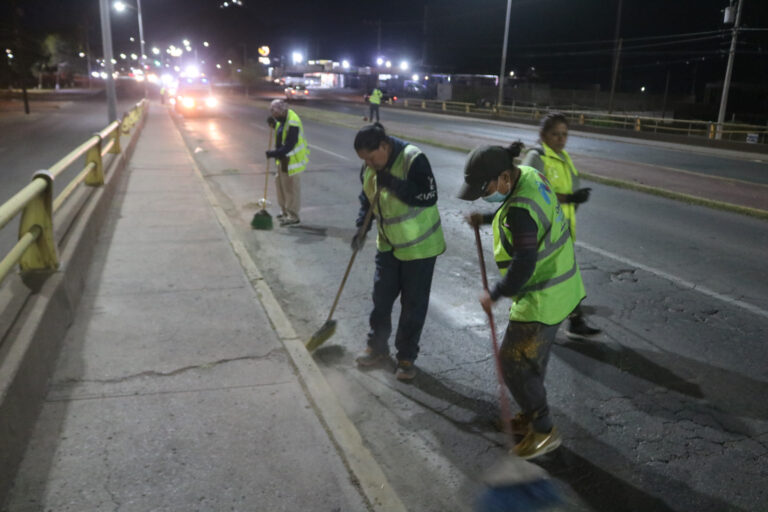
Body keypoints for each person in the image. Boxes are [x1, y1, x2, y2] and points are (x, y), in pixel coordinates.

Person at [458, 142, 586, 459]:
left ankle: (543, 430)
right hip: (562, 288)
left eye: (484, 188)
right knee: (531, 363)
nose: (481, 194)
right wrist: (487, 219)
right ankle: (531, 417)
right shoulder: (528, 175)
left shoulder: (519, 210)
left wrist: (496, 294)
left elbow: (524, 262)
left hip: (541, 296)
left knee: (513, 364)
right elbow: (524, 215)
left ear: (503, 177)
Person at [352, 123, 446, 381]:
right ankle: (377, 348)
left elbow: (428, 195)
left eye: (371, 157)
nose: (369, 164)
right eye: (364, 160)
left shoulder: (413, 159)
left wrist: (392, 183)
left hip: (420, 249)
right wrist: (361, 228)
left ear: (384, 145)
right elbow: (367, 200)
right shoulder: (370, 168)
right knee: (381, 299)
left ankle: (406, 357)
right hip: (389, 246)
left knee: (412, 305)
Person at [521, 112, 601, 340]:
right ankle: (533, 324)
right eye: (555, 134)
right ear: (543, 134)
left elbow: (569, 187)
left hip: (562, 230)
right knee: (551, 279)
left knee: (566, 277)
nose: (560, 139)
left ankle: (573, 321)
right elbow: (529, 193)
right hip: (542, 232)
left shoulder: (563, 157)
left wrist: (576, 198)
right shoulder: (536, 158)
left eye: (564, 134)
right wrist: (569, 198)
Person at [265, 99, 309, 226]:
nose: (273, 115)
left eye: (274, 113)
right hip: (283, 160)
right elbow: (280, 132)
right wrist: (273, 125)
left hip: (292, 161)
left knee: (290, 190)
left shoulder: (293, 122)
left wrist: (273, 154)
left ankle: (293, 215)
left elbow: (289, 145)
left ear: (281, 111)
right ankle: (284, 211)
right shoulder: (282, 119)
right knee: (280, 186)